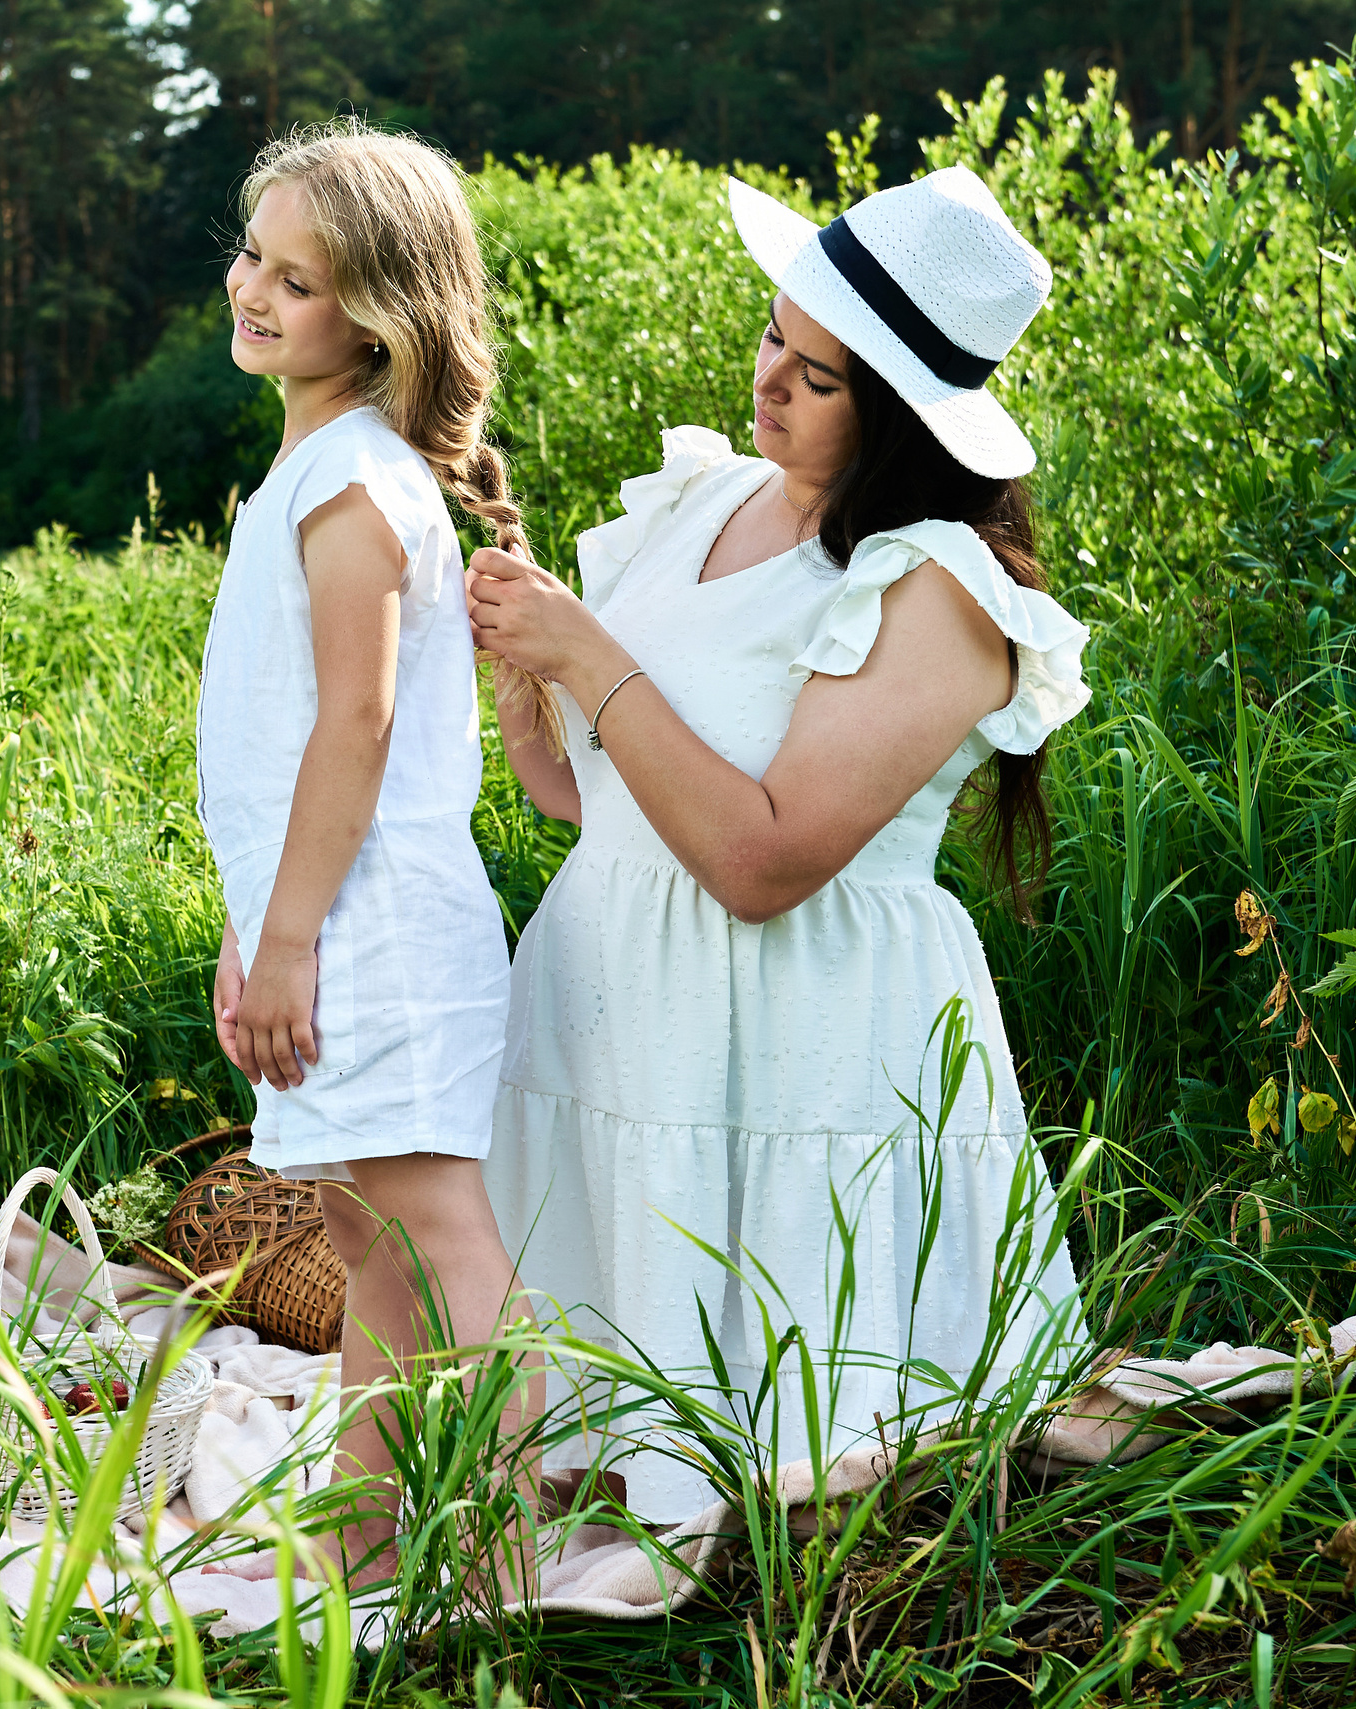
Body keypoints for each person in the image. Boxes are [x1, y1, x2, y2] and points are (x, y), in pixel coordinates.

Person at [468, 166, 1093, 1523]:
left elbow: (758, 864)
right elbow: (595, 806)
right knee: (567, 1434)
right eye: (772, 337)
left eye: (817, 377)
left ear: (904, 418)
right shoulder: (704, 500)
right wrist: (529, 682)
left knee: (804, 1438)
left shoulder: (936, 590)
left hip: (800, 1033)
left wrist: (590, 653)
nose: (769, 383)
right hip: (615, 1009)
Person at [196, 120, 530, 1576]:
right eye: (252, 258)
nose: (255, 292)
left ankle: (514, 1544)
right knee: (365, 1242)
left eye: (302, 281)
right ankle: (362, 1546)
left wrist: (288, 942)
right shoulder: (319, 471)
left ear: (383, 317)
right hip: (326, 913)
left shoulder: (351, 488)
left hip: (374, 928)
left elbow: (357, 724)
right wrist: (249, 923)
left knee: (435, 1234)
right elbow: (276, 750)